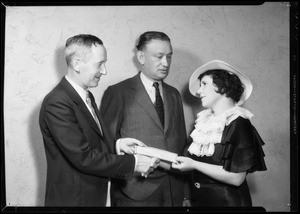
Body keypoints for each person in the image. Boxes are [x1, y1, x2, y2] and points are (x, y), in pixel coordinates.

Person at [39, 34, 159, 207]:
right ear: (77, 63)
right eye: (99, 64)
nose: (104, 71)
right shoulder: (57, 102)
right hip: (74, 202)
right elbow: (84, 157)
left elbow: (91, 141)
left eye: (105, 63)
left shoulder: (86, 95)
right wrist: (135, 163)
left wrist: (118, 145)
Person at [100, 31, 190, 206]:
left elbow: (182, 144)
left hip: (174, 191)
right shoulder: (118, 92)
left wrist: (186, 193)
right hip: (134, 191)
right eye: (159, 56)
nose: (165, 63)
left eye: (169, 57)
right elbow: (106, 143)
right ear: (141, 57)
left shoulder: (174, 94)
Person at [172, 60, 267, 207]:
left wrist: (194, 165)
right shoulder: (203, 123)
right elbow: (185, 162)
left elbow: (237, 178)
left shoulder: (239, 122)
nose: (199, 91)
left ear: (222, 86)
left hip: (228, 203)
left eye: (204, 84)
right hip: (202, 202)